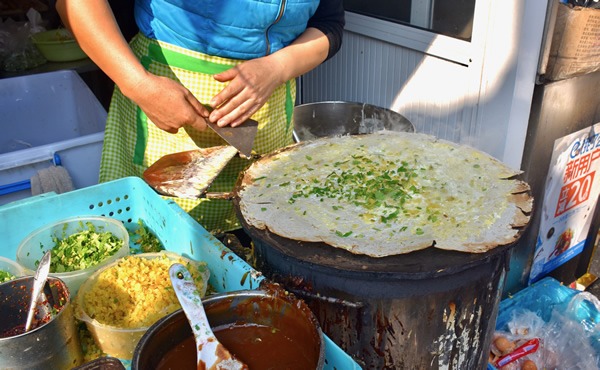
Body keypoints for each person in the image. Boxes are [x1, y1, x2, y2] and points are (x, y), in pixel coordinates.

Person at [55, 0, 345, 233]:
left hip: (267, 112)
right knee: (155, 247)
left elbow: (329, 23)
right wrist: (140, 85)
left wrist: (278, 67)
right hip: (166, 98)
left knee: (257, 237)